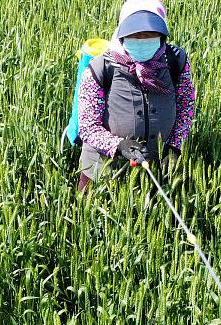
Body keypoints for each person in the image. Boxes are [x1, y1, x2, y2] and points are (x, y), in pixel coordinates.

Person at [77, 0, 195, 192]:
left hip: (156, 171)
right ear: (122, 35)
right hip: (103, 173)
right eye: (135, 34)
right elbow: (88, 126)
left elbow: (186, 106)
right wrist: (119, 145)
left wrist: (174, 146)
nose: (142, 39)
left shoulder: (175, 61)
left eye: (150, 34)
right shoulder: (101, 68)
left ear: (162, 36)